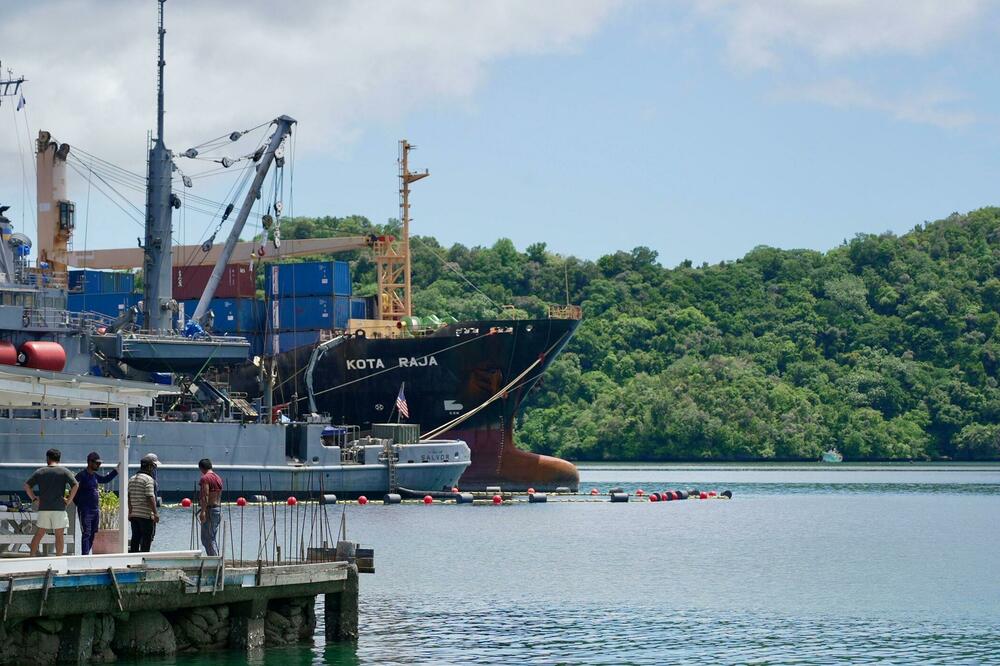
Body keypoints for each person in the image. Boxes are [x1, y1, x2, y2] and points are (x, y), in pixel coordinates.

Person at [24, 448, 79, 556]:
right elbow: (76, 485)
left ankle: (31, 558)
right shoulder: (64, 471)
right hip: (59, 508)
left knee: (39, 534)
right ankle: (59, 560)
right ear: (59, 459)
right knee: (59, 536)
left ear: (48, 458)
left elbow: (26, 486)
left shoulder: (40, 472)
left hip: (44, 508)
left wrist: (34, 499)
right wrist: (69, 500)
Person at [74, 452, 118, 555]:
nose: (99, 465)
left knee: (93, 533)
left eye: (100, 464)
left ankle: (87, 555)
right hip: (85, 510)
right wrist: (79, 504)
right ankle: (84, 556)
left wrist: (116, 471)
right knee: (86, 533)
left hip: (95, 510)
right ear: (90, 462)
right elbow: (73, 489)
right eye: (97, 463)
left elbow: (105, 479)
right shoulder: (81, 475)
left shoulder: (94, 476)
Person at [127, 457, 158, 552]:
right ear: (149, 467)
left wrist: (130, 511)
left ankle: (133, 558)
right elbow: (150, 497)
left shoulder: (131, 478)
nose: (153, 469)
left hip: (134, 515)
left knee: (135, 538)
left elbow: (129, 496)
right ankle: (143, 558)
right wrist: (155, 513)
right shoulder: (148, 479)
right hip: (145, 515)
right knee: (146, 539)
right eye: (152, 467)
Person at [197, 458, 223, 556]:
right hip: (217, 509)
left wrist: (203, 511)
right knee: (210, 537)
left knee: (207, 538)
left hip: (210, 510)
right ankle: (214, 559)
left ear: (201, 468)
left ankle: (215, 561)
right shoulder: (218, 478)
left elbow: (205, 495)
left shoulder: (205, 478)